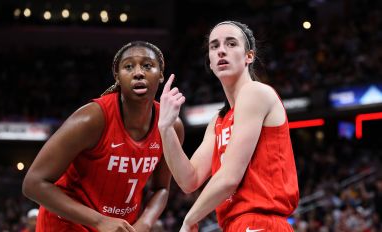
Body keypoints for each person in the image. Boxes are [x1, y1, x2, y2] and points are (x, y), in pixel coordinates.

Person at [22, 41, 184, 232]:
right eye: (128, 66)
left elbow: (162, 189)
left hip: (120, 226)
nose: (138, 72)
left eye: (147, 65)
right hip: (67, 223)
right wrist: (99, 221)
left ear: (161, 74)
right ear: (118, 76)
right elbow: (33, 184)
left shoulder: (171, 124)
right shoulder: (92, 118)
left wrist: (144, 224)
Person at [158, 21, 299, 231]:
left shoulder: (255, 93)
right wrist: (165, 128)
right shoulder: (218, 121)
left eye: (231, 44)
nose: (221, 50)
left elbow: (230, 177)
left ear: (249, 56)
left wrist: (190, 219)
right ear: (211, 62)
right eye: (214, 46)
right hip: (235, 224)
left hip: (261, 221)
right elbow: (189, 180)